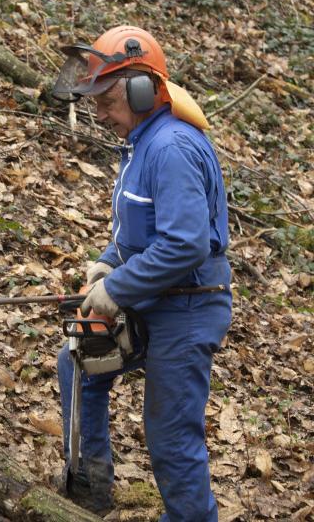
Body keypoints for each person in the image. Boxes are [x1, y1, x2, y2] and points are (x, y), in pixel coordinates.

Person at [53, 26, 232, 522]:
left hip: (190, 303)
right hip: (156, 294)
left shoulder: (170, 147)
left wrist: (118, 287)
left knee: (171, 436)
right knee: (79, 361)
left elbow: (185, 244)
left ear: (142, 90)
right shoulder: (140, 143)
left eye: (107, 101)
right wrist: (111, 260)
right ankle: (92, 485)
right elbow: (141, 228)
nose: (99, 114)